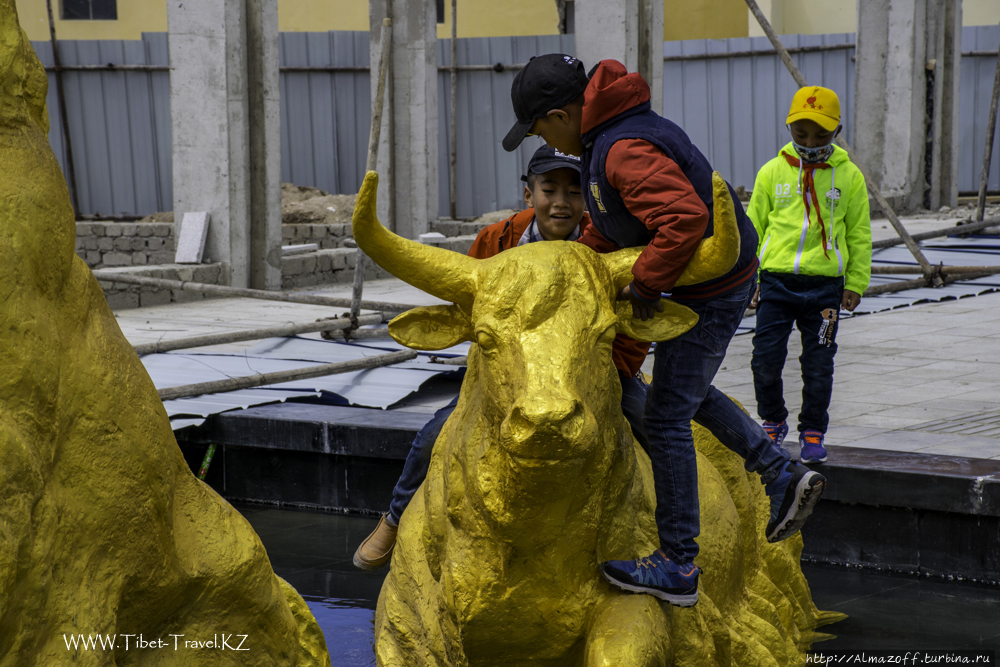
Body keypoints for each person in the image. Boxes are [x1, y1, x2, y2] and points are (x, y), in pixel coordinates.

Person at [501, 54, 826, 607]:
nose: (547, 142)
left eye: (541, 130)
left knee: (666, 414)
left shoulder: (621, 148)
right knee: (684, 393)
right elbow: (615, 226)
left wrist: (645, 287)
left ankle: (678, 563)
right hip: (707, 281)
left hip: (712, 285)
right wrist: (571, 272)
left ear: (560, 116)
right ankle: (780, 474)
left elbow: (681, 220)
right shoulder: (609, 141)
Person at [353, 145, 652, 571]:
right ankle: (396, 516)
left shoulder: (605, 246)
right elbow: (471, 314)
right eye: (549, 189)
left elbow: (630, 316)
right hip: (508, 378)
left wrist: (612, 368)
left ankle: (672, 533)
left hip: (591, 375)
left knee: (653, 426)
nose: (561, 202)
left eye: (573, 191)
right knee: (435, 433)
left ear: (588, 198)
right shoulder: (496, 241)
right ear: (529, 195)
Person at [747, 86, 872, 465]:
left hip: (824, 290)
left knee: (818, 365)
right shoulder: (771, 172)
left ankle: (813, 429)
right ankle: (773, 420)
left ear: (837, 131)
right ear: (789, 128)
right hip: (775, 283)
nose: (810, 142)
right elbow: (753, 227)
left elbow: (859, 233)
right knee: (764, 359)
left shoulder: (848, 177)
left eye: (820, 135)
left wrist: (855, 282)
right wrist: (748, 278)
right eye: (801, 134)